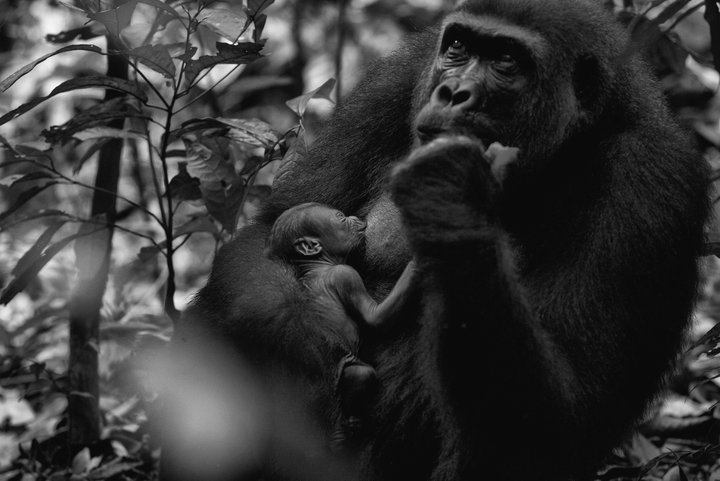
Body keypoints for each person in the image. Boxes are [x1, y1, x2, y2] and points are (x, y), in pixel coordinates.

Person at [265, 202, 417, 445]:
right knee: (362, 375)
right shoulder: (341, 274)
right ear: (309, 246)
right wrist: (412, 270)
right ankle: (349, 422)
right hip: (339, 360)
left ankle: (333, 427)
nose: (358, 220)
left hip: (310, 368)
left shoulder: (302, 286)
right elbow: (376, 318)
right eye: (342, 218)